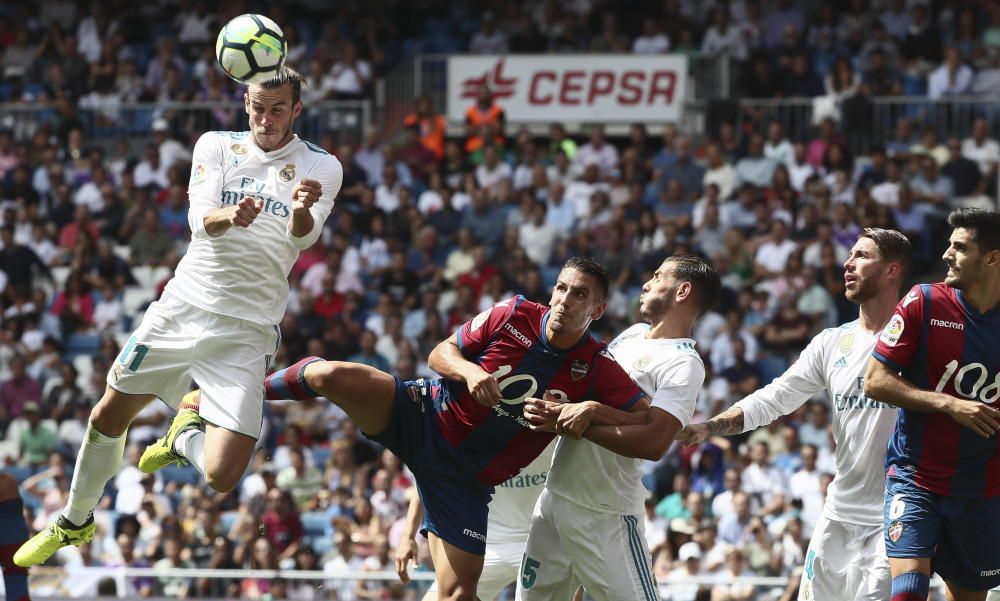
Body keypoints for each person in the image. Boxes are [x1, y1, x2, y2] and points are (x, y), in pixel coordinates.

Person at [14, 66, 342, 567]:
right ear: (245, 103)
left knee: (222, 476)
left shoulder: (322, 165)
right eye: (258, 107)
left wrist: (300, 208)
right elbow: (198, 220)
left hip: (247, 331)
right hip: (184, 308)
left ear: (297, 109)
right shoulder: (215, 145)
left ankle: (182, 432)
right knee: (106, 415)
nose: (266, 118)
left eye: (279, 109)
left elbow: (303, 236)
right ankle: (73, 522)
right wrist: (231, 216)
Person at [263, 257, 652, 601]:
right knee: (332, 374)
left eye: (580, 294)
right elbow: (439, 353)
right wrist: (470, 372)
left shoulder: (596, 366)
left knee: (458, 594)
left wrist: (592, 409)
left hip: (464, 480)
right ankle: (249, 390)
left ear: (598, 309)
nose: (566, 299)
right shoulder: (513, 313)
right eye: (562, 288)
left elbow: (648, 420)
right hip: (423, 416)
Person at [681, 229, 912, 601]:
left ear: (891, 271)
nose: (847, 263)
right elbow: (777, 397)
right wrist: (710, 427)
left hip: (893, 514)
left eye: (862, 256)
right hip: (838, 511)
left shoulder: (917, 340)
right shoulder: (832, 342)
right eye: (849, 254)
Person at [516, 255, 722, 601]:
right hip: (555, 498)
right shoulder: (632, 335)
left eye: (658, 277)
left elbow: (655, 442)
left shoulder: (684, 363)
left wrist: (581, 421)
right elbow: (591, 397)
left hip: (606, 515)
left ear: (683, 291)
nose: (646, 283)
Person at [864, 209, 1000, 601]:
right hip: (915, 477)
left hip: (981, 491)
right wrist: (948, 404)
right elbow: (875, 381)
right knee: (907, 594)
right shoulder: (923, 301)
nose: (946, 254)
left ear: (992, 258)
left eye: (959, 247)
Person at [395, 443, 556, 601]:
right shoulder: (472, 427)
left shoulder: (554, 432)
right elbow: (430, 476)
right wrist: (407, 536)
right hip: (486, 544)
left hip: (540, 542)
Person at [0, 473, 30, 600]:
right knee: (17, 586)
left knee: (17, 584)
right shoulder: (8, 480)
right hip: (12, 529)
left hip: (11, 528)